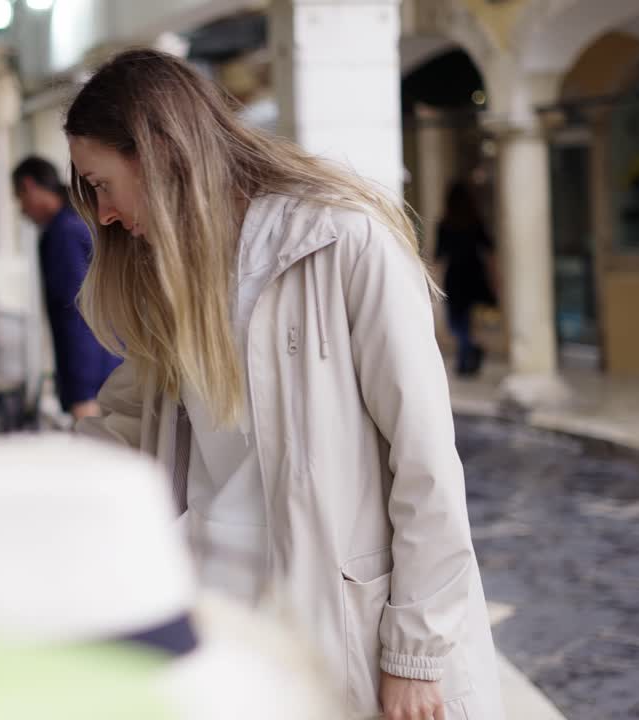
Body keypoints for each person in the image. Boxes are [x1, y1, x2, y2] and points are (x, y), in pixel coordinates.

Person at [67, 49, 503, 720]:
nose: (102, 213)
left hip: (338, 630)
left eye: (102, 184)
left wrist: (414, 655)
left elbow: (425, 462)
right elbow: (126, 429)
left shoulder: (342, 242)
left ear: (159, 152)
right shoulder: (171, 276)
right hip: (221, 631)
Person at [13, 156, 121, 422]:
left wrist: (80, 388)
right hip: (107, 364)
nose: (22, 210)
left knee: (95, 443)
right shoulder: (76, 220)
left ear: (29, 186)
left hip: (92, 374)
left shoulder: (64, 232)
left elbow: (76, 310)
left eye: (20, 198)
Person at [435, 181, 497, 377]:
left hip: (456, 276)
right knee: (466, 321)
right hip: (473, 274)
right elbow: (489, 249)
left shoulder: (445, 224)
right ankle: (470, 352)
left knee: (457, 322)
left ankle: (465, 359)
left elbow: (439, 255)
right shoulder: (474, 221)